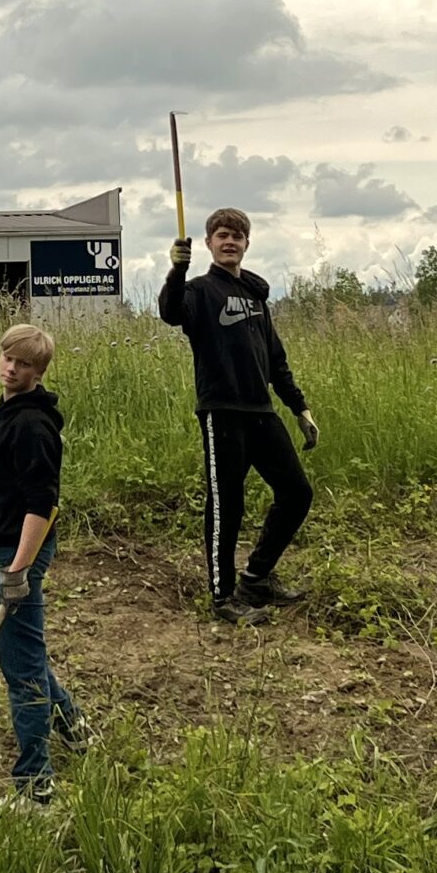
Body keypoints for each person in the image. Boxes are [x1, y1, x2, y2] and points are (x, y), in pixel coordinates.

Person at [157, 206, 318, 624]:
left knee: (297, 492)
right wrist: (176, 271)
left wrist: (299, 408)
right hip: (221, 412)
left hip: (261, 412)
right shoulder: (198, 291)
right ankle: (223, 597)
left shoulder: (256, 297)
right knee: (226, 506)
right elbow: (171, 313)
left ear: (247, 244)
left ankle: (257, 578)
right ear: (209, 243)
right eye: (222, 235)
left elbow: (276, 361)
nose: (230, 241)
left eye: (238, 236)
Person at [0, 322, 84, 801]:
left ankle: (36, 785)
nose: (11, 368)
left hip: (20, 552)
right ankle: (73, 727)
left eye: (24, 364)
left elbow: (41, 503)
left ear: (39, 372)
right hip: (2, 546)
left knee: (23, 672)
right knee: (22, 653)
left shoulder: (33, 425)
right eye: (7, 357)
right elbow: (1, 493)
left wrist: (17, 570)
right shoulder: (7, 409)